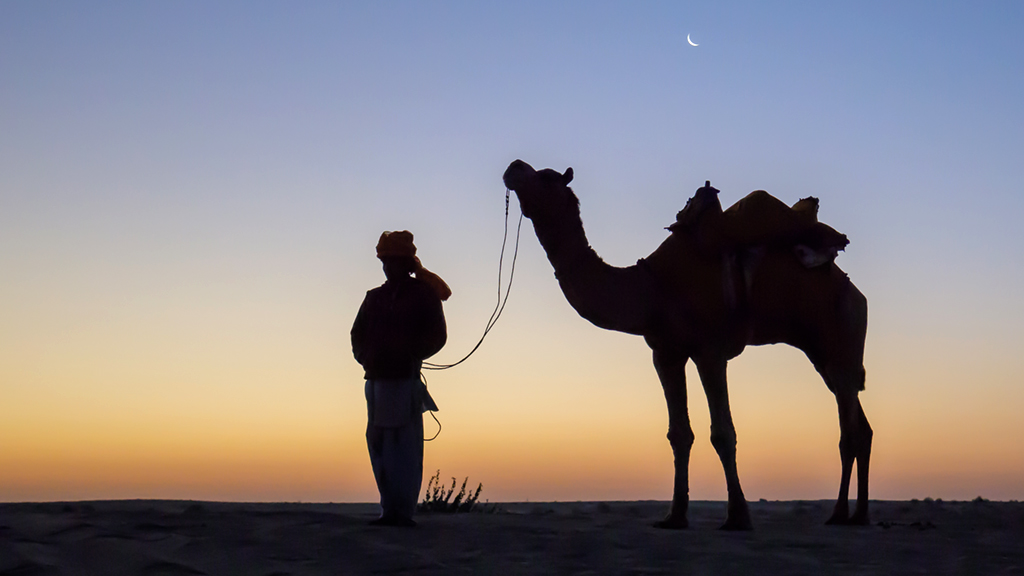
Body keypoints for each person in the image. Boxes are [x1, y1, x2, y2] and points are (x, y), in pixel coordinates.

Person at [351, 230, 450, 527]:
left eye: (392, 260)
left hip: (405, 380)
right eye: (385, 261)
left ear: (404, 262)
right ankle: (388, 510)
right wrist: (369, 358)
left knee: (405, 448)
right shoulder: (374, 298)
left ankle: (402, 512)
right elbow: (357, 336)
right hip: (377, 381)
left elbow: (438, 336)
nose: (387, 266)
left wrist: (409, 354)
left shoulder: (424, 296)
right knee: (379, 443)